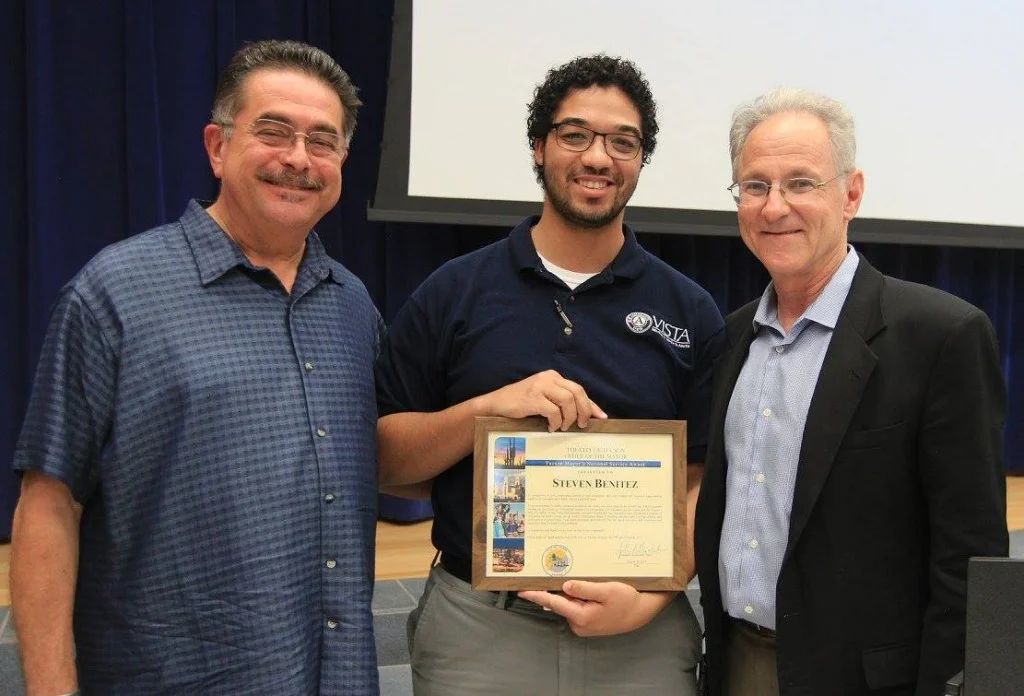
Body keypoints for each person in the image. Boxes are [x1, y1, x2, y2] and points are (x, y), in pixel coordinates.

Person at [10, 40, 383, 695]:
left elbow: (385, 455)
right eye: (274, 131)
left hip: (336, 677)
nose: (299, 158)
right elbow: (48, 507)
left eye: (322, 142)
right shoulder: (115, 292)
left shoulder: (352, 305)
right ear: (217, 146)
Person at [376, 54, 726, 695]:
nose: (599, 157)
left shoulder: (689, 310)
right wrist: (491, 412)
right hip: (480, 634)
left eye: (624, 142)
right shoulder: (454, 292)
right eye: (575, 135)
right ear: (539, 148)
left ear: (641, 160)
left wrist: (652, 597)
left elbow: (702, 477)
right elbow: (389, 460)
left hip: (639, 638)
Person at [693, 87, 1008, 696]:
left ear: (852, 194)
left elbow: (971, 559)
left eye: (801, 183)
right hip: (737, 664)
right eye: (754, 186)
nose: (774, 206)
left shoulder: (940, 336)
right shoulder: (730, 339)